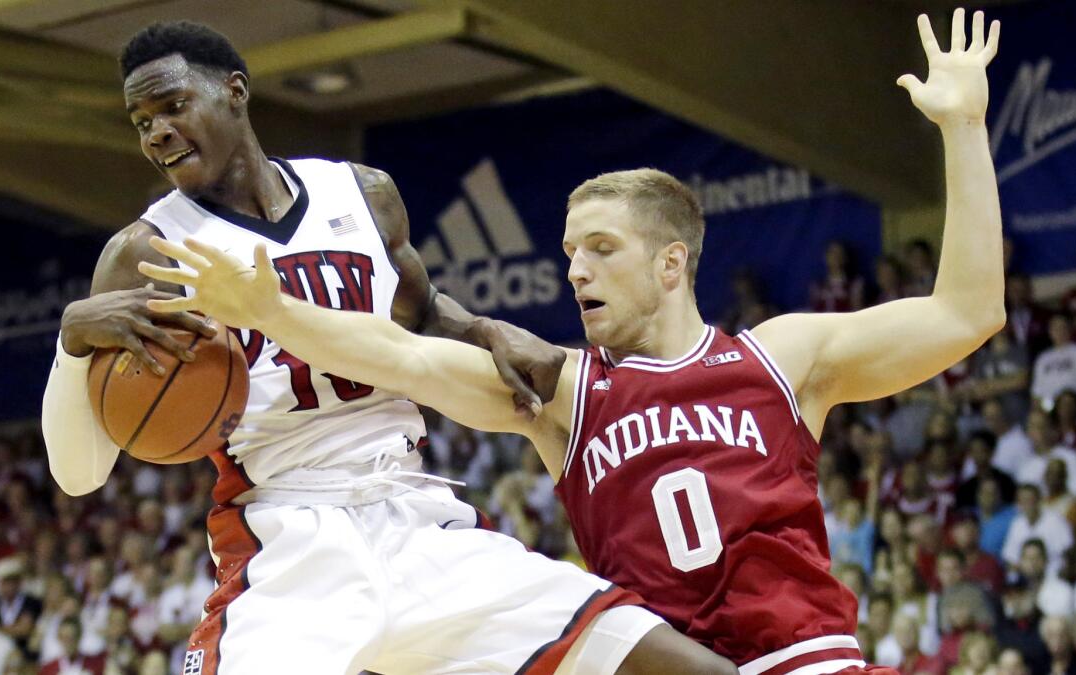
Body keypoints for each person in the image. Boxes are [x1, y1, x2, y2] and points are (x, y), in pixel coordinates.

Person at [143, 10, 1004, 672]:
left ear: (672, 262)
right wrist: (272, 309)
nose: (576, 272)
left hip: (801, 656)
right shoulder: (563, 391)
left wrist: (963, 131)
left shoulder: (782, 358)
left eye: (600, 250)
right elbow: (399, 355)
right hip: (660, 661)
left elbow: (968, 312)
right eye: (567, 254)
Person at [39, 20, 732, 675]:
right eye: (142, 123)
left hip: (419, 520)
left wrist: (486, 328)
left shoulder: (361, 194)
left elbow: (423, 313)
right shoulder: (146, 251)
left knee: (681, 664)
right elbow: (78, 474)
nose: (158, 132)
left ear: (235, 91)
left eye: (172, 105)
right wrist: (73, 343)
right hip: (290, 543)